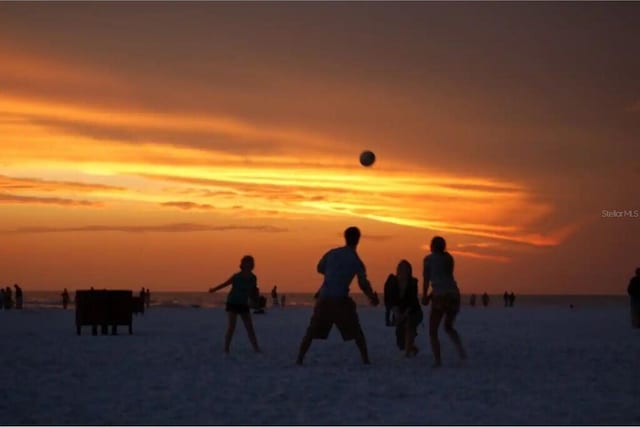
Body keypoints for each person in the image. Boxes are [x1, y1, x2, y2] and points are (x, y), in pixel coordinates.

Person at [296, 226, 379, 365]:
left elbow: (319, 268)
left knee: (311, 331)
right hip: (340, 300)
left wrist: (332, 274)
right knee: (357, 332)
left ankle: (300, 358)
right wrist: (372, 297)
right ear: (358, 240)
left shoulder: (332, 253)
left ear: (345, 237)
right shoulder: (356, 261)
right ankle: (366, 360)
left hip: (324, 298)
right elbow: (363, 283)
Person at [422, 236, 467, 367]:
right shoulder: (449, 258)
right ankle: (461, 349)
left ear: (432, 246)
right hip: (453, 295)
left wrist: (425, 296)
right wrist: (430, 296)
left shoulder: (428, 260)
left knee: (433, 330)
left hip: (440, 297)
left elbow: (428, 281)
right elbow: (444, 280)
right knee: (448, 326)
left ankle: (438, 361)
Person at [209, 255, 261, 354]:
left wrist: (255, 302)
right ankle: (226, 348)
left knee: (249, 327)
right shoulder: (237, 276)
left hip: (243, 304)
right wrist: (214, 289)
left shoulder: (253, 278)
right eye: (248, 262)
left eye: (251, 262)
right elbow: (225, 284)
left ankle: (256, 348)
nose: (251, 264)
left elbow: (253, 291)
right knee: (232, 327)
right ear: (243, 264)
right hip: (232, 302)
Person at [384, 260, 423, 357]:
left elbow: (412, 302)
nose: (402, 270)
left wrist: (403, 315)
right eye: (400, 267)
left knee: (409, 325)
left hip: (413, 312)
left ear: (409, 271)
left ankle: (407, 354)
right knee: (401, 344)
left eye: (405, 268)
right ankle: (412, 348)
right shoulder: (392, 281)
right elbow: (388, 299)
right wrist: (395, 313)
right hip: (399, 312)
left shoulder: (412, 283)